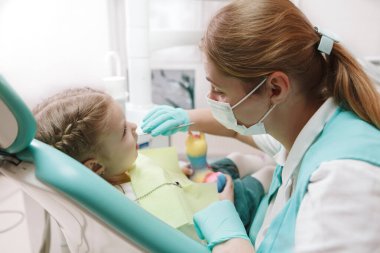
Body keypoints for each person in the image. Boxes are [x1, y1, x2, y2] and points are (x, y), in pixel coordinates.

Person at [141, 0, 380, 252]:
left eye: (219, 90)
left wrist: (228, 236)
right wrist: (185, 118)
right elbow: (233, 127)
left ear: (275, 88)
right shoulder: (299, 126)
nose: (211, 100)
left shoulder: (343, 180)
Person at [33, 87, 275, 234]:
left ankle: (261, 157)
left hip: (190, 182)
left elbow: (147, 174)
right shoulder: (131, 211)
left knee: (234, 159)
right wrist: (225, 207)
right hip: (220, 210)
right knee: (262, 179)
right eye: (124, 131)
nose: (134, 126)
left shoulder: (116, 166)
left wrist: (178, 170)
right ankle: (272, 168)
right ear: (95, 166)